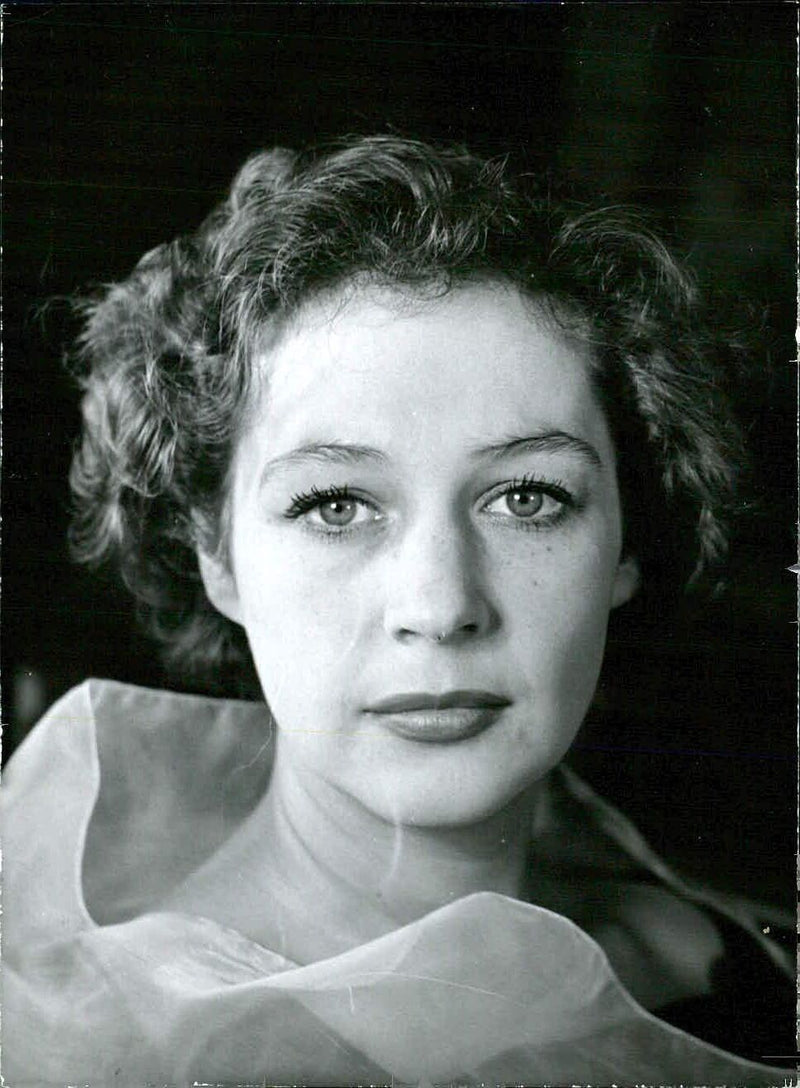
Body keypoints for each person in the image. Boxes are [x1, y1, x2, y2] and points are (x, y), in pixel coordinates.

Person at [3, 135, 793, 1086]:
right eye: (334, 506)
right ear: (217, 559)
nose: (442, 605)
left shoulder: (712, 957)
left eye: (528, 497)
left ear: (628, 539)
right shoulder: (100, 1055)